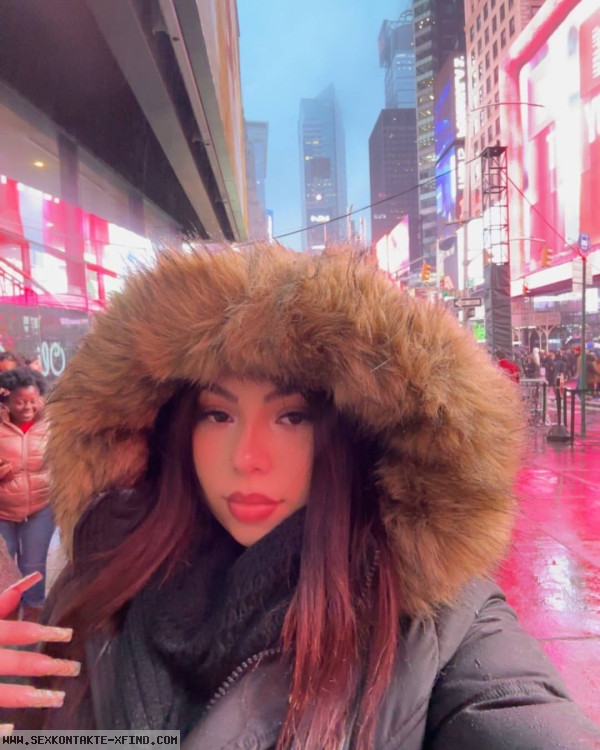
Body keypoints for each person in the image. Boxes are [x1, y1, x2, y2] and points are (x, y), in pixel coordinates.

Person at [2, 246, 599, 747]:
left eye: (291, 417)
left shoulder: (436, 621)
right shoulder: (102, 577)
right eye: (217, 414)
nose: (247, 457)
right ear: (173, 431)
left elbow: (517, 714)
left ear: (350, 437)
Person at [0, 367, 53, 621]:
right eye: (20, 402)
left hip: (40, 508)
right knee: (3, 566)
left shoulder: (52, 424)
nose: (27, 407)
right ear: (7, 401)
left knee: (34, 565)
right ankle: (7, 614)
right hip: (2, 510)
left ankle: (33, 612)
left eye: (32, 401)